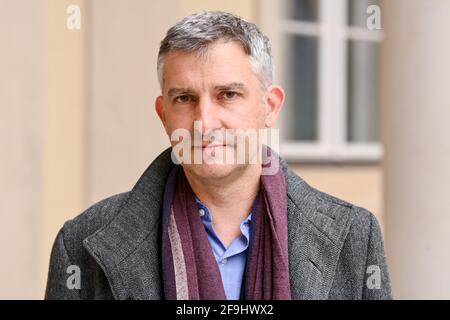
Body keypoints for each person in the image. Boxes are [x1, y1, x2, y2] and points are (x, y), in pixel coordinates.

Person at [45, 11, 391, 300]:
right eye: (184, 98)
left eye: (227, 94)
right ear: (163, 113)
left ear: (269, 107)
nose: (204, 123)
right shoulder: (80, 244)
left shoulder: (355, 237)